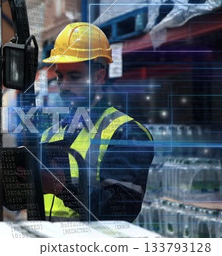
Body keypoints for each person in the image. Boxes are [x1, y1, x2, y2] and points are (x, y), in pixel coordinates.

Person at [40, 22, 154, 222]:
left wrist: (63, 188)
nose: (63, 86)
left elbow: (120, 211)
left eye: (74, 77)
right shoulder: (50, 133)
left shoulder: (126, 133)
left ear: (99, 77)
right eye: (59, 77)